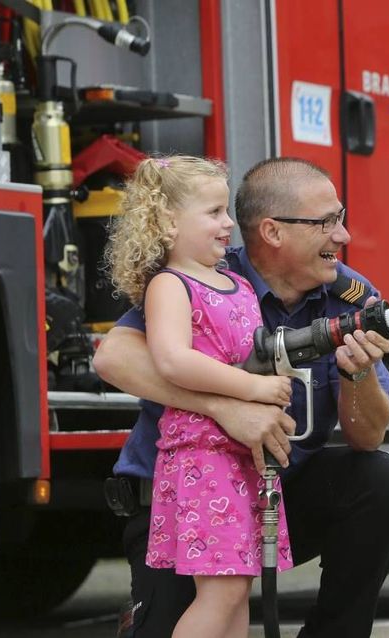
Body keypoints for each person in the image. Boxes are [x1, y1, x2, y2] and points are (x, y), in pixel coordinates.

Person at [94, 157, 389, 638]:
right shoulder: (203, 276)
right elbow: (114, 357)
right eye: (326, 222)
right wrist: (228, 407)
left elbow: (368, 436)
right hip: (181, 498)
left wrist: (359, 372)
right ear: (273, 231)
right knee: (201, 615)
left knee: (381, 479)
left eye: (340, 219)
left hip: (267, 492)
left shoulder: (349, 297)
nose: (342, 236)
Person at [105, 155, 295, 637]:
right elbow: (172, 360)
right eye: (213, 213)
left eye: (225, 210)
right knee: (221, 591)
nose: (228, 223)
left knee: (238, 588)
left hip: (240, 459)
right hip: (202, 457)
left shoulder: (237, 285)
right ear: (168, 221)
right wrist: (252, 388)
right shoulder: (171, 286)